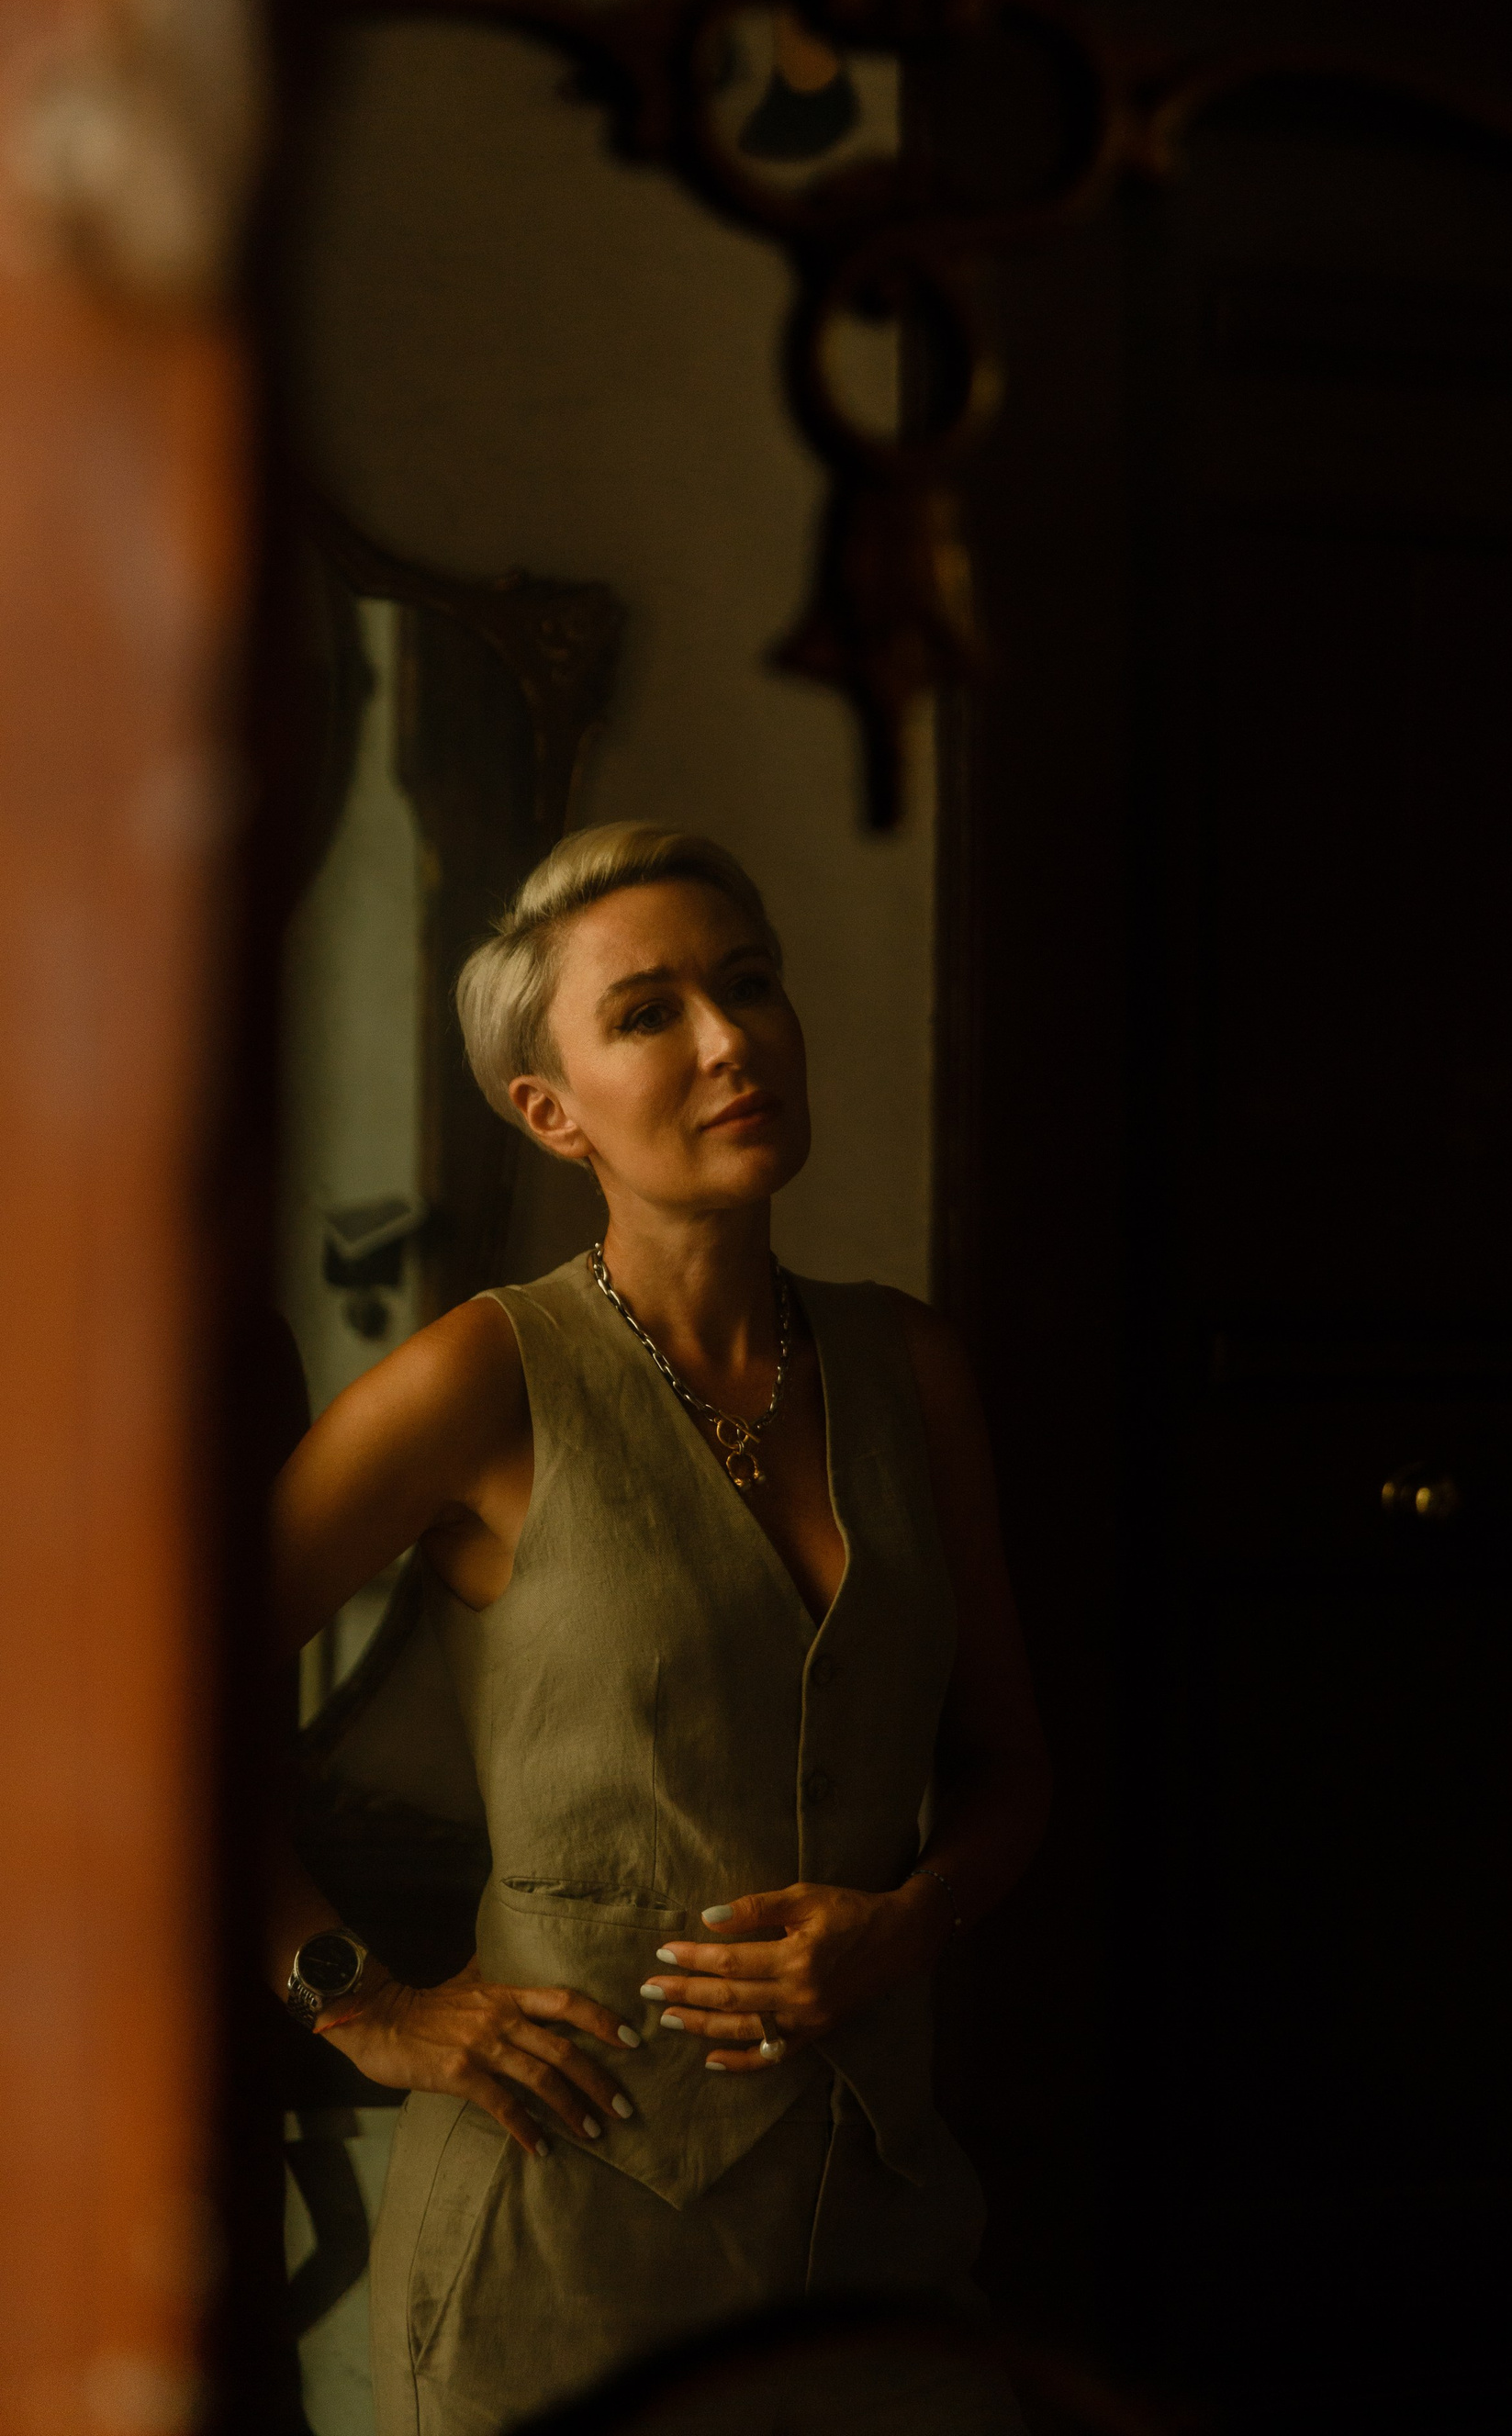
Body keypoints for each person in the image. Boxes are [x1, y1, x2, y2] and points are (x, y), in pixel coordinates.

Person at [268, 822, 1052, 2434]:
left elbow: (1011, 1773)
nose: (729, 1040)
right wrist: (358, 2003)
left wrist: (905, 1926)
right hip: (556, 2241)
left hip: (875, 2227)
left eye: (748, 985)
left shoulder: (910, 1373)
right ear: (549, 1110)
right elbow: (110, 1702)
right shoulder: (480, 1380)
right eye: (649, 1013)